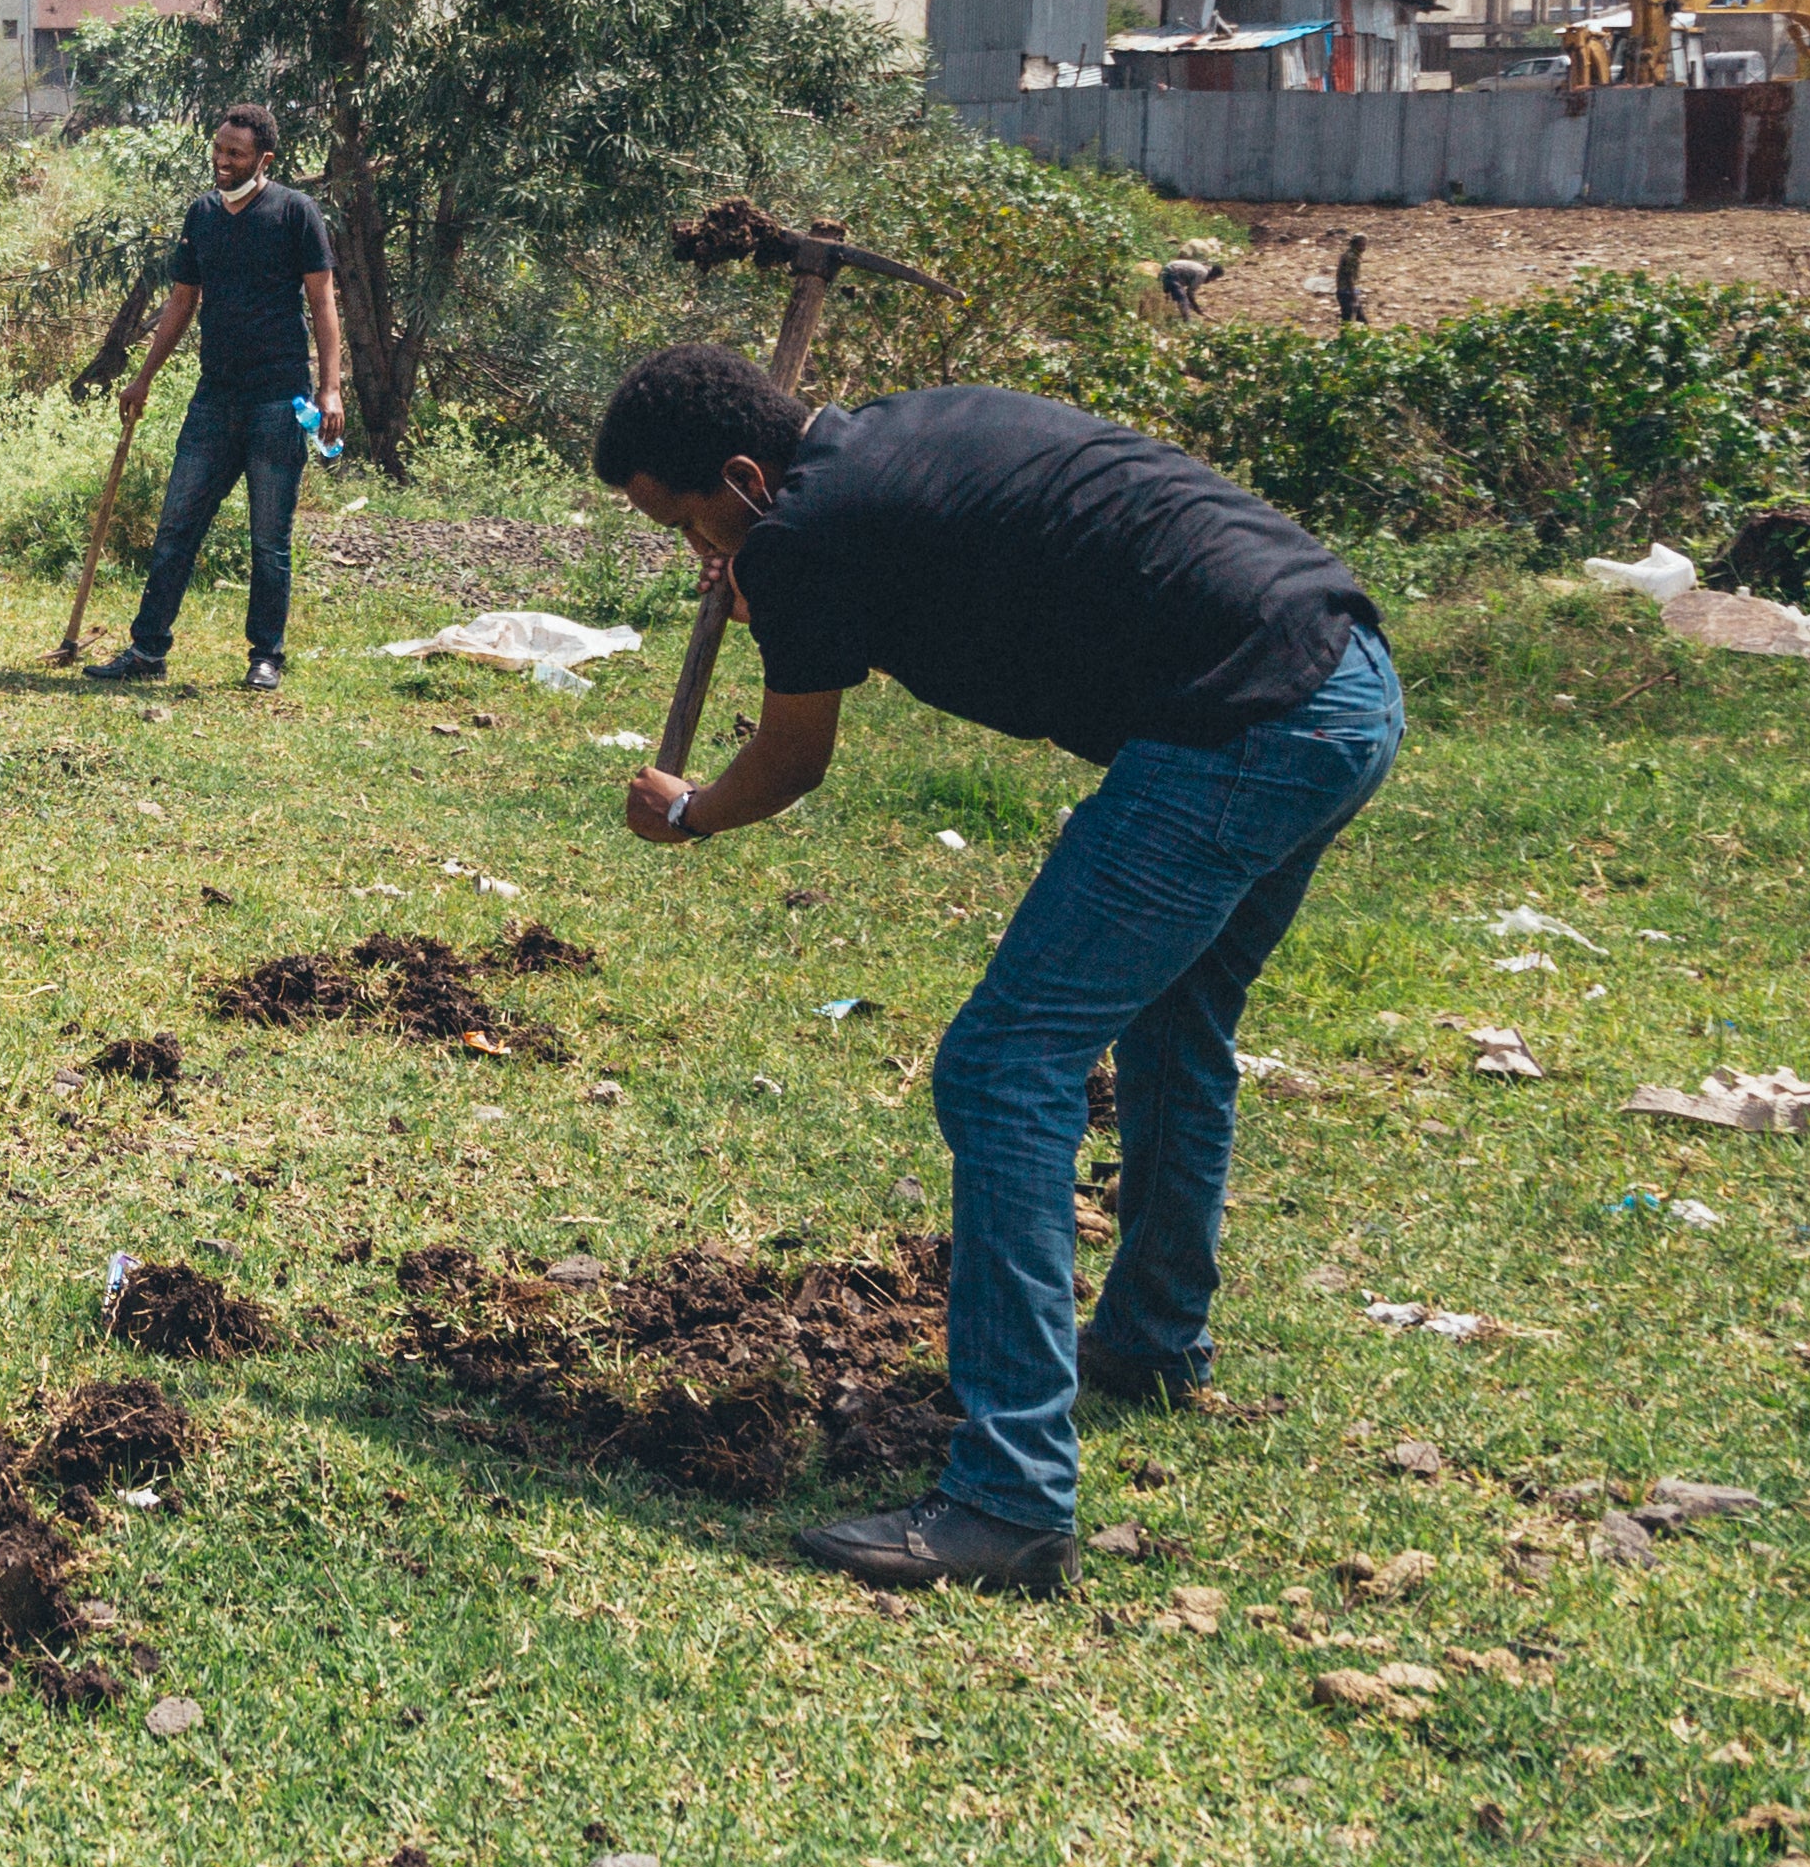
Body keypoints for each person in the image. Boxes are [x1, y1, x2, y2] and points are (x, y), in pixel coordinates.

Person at [597, 343, 1404, 1593]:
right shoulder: (894, 434)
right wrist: (782, 582)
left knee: (1001, 1067)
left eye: (687, 521)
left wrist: (690, 809)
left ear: (746, 473)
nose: (698, 556)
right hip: (1341, 679)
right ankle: (1145, 1341)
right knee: (1173, 1015)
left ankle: (1010, 1498)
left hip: (1238, 721)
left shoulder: (798, 532)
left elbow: (792, 760)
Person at [92, 104, 343, 690]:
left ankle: (266, 656)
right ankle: (147, 651)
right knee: (177, 525)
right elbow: (182, 301)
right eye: (218, 149)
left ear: (264, 159)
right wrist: (143, 376)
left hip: (278, 400)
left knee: (268, 537)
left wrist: (330, 388)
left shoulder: (295, 212)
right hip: (214, 399)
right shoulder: (203, 214)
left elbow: (324, 301)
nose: (223, 162)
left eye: (235, 153)